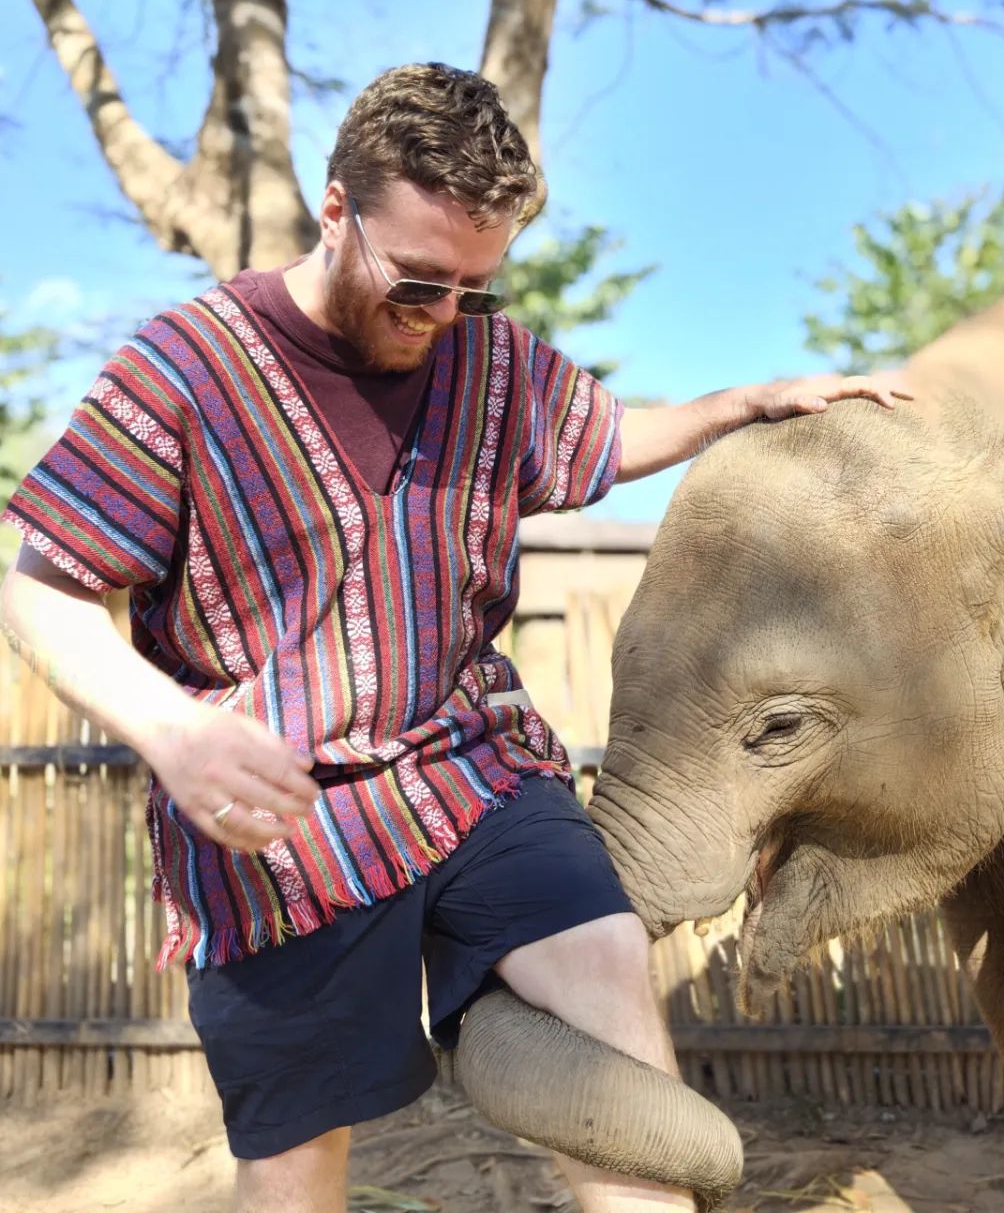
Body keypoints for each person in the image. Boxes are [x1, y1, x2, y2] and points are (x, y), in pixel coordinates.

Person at [0, 63, 910, 1213]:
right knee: (294, 1160)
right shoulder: (184, 372)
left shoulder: (491, 356)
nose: (442, 317)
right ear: (335, 209)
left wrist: (740, 403)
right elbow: (41, 588)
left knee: (606, 969)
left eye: (475, 289)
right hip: (281, 823)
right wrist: (172, 732)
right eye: (417, 282)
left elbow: (602, 433)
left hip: (473, 769)